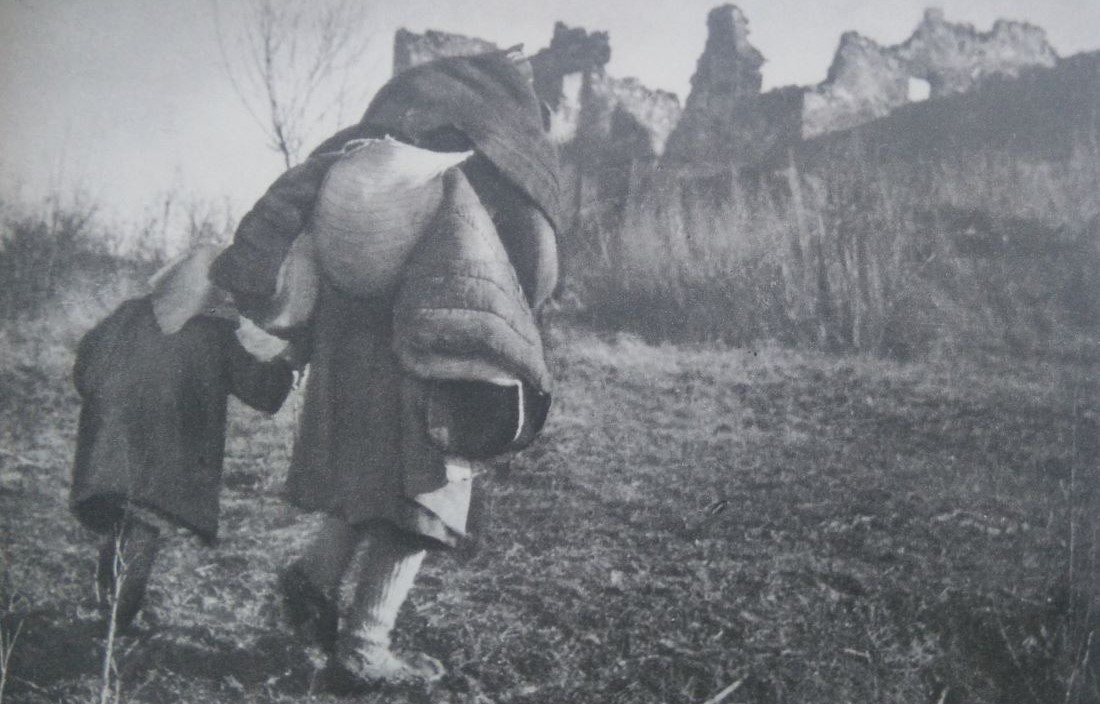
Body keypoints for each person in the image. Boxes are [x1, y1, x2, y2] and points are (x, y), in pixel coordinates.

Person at [209, 49, 564, 689]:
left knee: (366, 486)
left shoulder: (357, 167)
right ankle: (364, 650)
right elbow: (532, 267)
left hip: (348, 356)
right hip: (424, 357)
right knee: (425, 505)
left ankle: (314, 579)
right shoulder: (478, 174)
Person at [70, 246, 303, 631]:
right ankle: (114, 623)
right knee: (142, 529)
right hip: (164, 461)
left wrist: (102, 411)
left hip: (108, 447)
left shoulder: (129, 314)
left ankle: (107, 611)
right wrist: (290, 364)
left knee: (124, 524)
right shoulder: (216, 336)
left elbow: (86, 366)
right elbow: (264, 392)